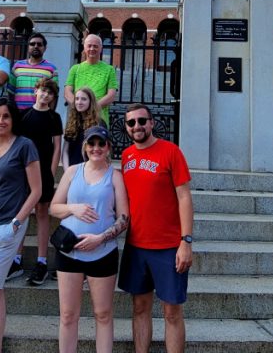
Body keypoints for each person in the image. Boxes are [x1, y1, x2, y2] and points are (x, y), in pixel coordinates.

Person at [118, 103, 194, 353]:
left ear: (151, 123)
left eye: (142, 121)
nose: (137, 126)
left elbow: (184, 197)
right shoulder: (127, 156)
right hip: (136, 245)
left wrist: (186, 241)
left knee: (171, 311)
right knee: (139, 307)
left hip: (168, 246)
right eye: (131, 123)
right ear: (127, 127)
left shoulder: (170, 152)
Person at [50, 125, 130, 353]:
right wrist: (73, 208)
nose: (96, 148)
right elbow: (54, 207)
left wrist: (100, 238)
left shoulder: (115, 177)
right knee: (67, 314)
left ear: (108, 147)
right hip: (70, 252)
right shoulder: (72, 171)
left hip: (102, 252)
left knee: (103, 313)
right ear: (85, 146)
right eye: (91, 144)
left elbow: (124, 218)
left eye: (101, 144)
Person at [0, 98, 42, 353]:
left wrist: (17, 222)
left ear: (13, 120)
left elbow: (36, 190)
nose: (0, 121)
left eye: (6, 117)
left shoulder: (24, 146)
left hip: (8, 226)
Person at [14, 77, 63, 285]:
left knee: (43, 212)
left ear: (53, 97)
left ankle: (42, 260)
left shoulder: (54, 117)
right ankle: (16, 257)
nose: (45, 95)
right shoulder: (24, 115)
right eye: (42, 91)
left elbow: (57, 147)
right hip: (23, 169)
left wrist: (51, 174)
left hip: (43, 170)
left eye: (49, 93)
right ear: (35, 91)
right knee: (22, 212)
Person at [64, 34, 118, 124]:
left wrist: (92, 108)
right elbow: (67, 93)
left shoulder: (109, 70)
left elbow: (111, 95)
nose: (92, 48)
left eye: (95, 46)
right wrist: (80, 106)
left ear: (101, 48)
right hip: (78, 118)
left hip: (99, 118)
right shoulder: (75, 69)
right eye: (89, 46)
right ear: (84, 48)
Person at [9, 32, 59, 111]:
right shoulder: (17, 66)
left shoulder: (51, 69)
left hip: (40, 114)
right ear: (28, 47)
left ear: (45, 48)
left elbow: (54, 95)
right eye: (32, 44)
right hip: (19, 114)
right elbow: (11, 92)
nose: (36, 46)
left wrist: (50, 114)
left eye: (39, 44)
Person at [62, 87, 105, 168]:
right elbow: (65, 151)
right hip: (72, 171)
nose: (79, 102)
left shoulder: (99, 123)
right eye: (77, 99)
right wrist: (67, 172)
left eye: (84, 99)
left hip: (91, 171)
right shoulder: (71, 122)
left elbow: (102, 152)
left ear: (90, 102)